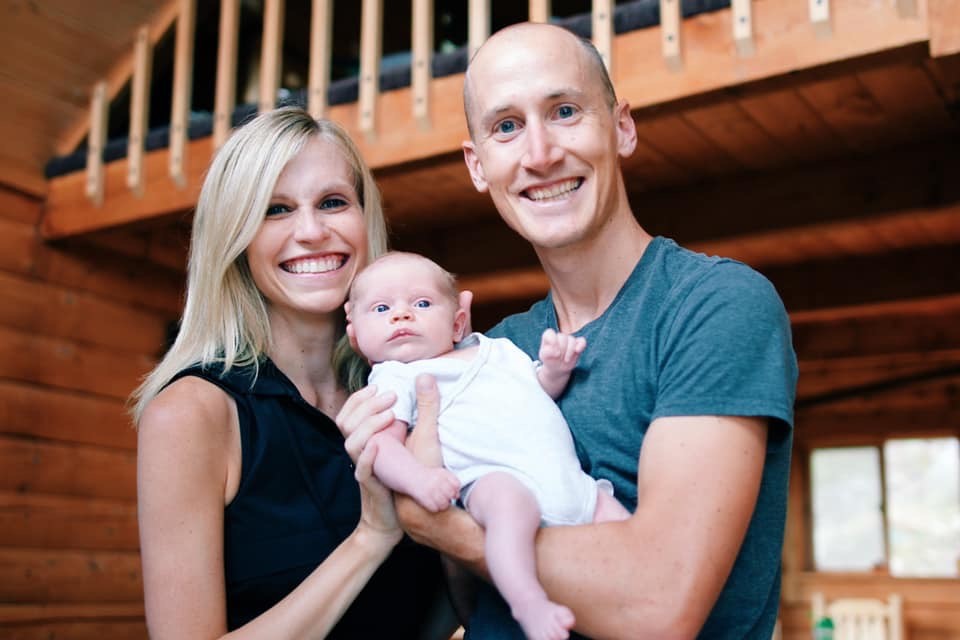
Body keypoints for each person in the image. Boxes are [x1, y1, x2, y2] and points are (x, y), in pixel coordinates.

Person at [337, 22, 799, 639]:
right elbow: (472, 603)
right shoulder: (496, 350)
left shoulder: (713, 304)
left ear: (621, 127)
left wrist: (440, 524)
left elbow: (658, 607)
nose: (540, 154)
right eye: (507, 126)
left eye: (564, 111)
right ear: (478, 165)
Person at [131, 107, 452, 639]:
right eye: (275, 209)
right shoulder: (190, 414)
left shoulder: (408, 386)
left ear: (364, 218)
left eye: (332, 202)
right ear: (235, 237)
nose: (312, 231)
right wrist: (371, 537)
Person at [346, 251, 629, 640]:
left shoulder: (499, 349)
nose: (402, 315)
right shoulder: (397, 377)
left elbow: (535, 390)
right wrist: (419, 479)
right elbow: (381, 447)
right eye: (381, 308)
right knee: (510, 509)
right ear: (356, 335)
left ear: (457, 322)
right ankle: (529, 601)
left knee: (627, 539)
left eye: (422, 303)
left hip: (572, 485)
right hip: (489, 481)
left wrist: (555, 370)